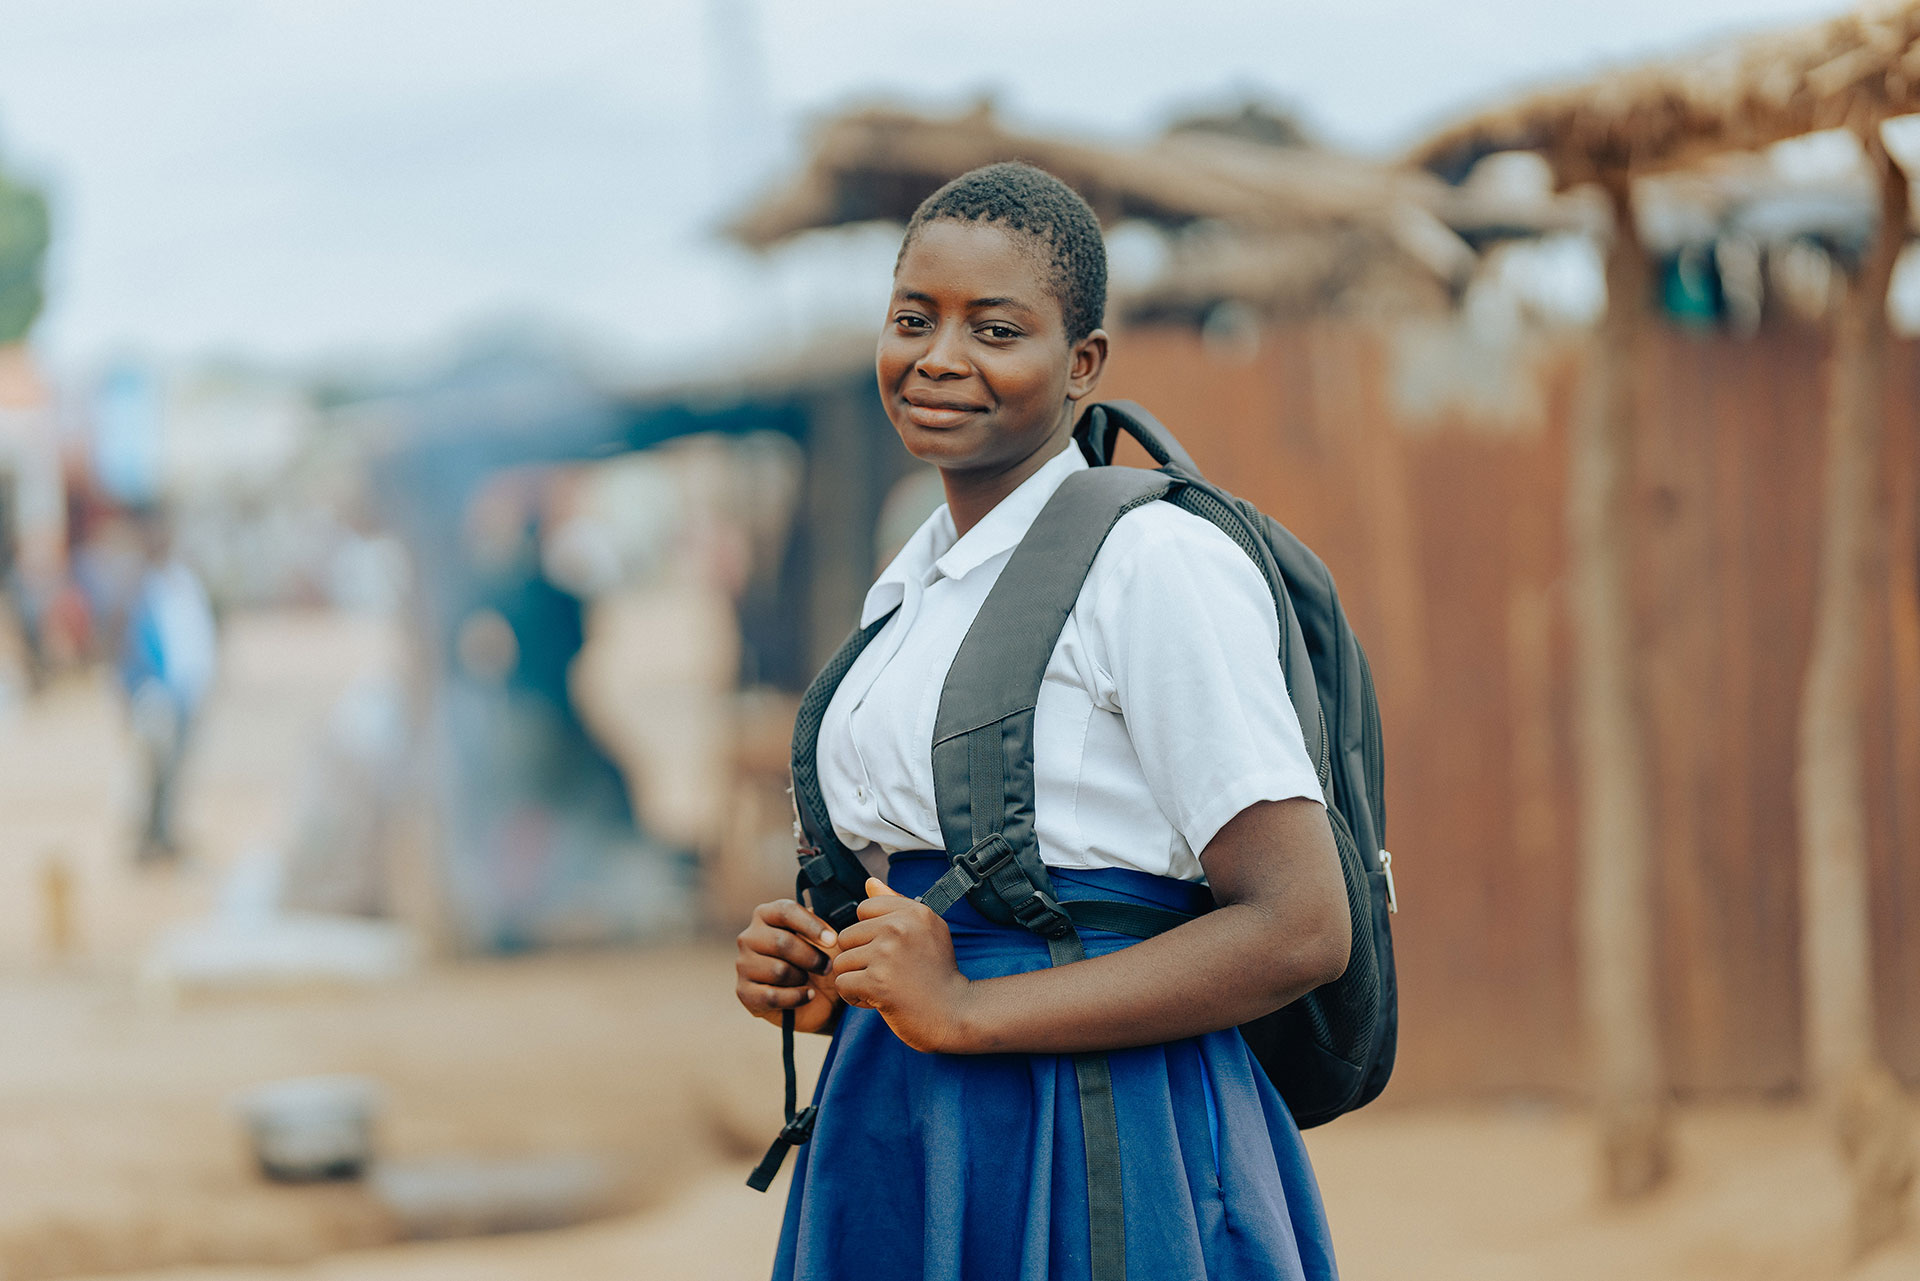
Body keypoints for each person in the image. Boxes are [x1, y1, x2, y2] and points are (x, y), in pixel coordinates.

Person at [734, 162, 1349, 1280]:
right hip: (905, 1114)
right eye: (913, 318)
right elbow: (944, 899)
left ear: (1083, 365)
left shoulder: (1152, 562)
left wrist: (964, 1005)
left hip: (1095, 1125)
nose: (940, 358)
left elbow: (1301, 924)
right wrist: (831, 977)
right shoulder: (914, 583)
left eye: (996, 329)